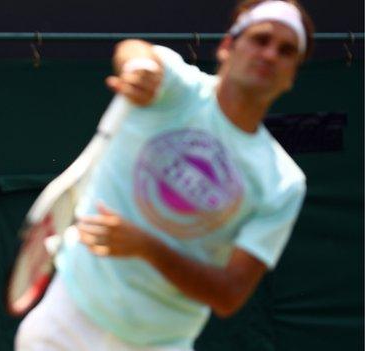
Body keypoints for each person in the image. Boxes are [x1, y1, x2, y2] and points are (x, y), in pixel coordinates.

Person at [16, 1, 314, 350]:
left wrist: (147, 248)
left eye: (286, 50)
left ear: (291, 75)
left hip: (159, 343)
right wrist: (138, 66)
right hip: (67, 320)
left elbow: (230, 294)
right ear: (227, 47)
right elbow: (135, 50)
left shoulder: (283, 183)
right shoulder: (176, 89)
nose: (269, 54)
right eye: (260, 39)